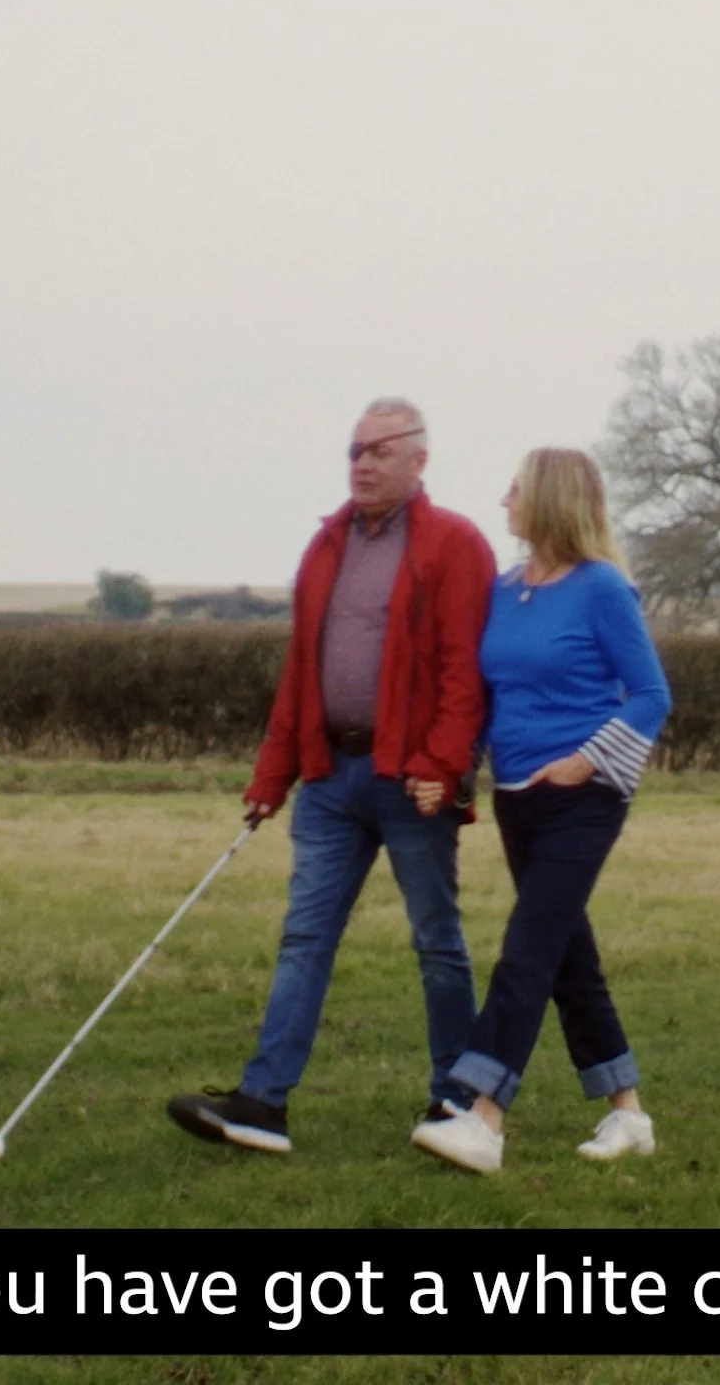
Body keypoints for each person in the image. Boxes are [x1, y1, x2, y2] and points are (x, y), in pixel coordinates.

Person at [167, 398, 497, 1153]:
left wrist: (443, 765)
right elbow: (300, 672)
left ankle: (457, 1101)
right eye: (354, 451)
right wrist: (271, 775)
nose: (363, 464)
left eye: (380, 450)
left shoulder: (455, 544)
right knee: (303, 937)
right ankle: (262, 1104)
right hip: (329, 778)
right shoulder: (325, 546)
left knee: (436, 940)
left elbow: (462, 673)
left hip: (412, 781)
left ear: (419, 460)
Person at [410, 447, 671, 1174]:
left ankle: (481, 1115)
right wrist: (453, 772)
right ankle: (627, 1113)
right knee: (565, 956)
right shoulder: (504, 589)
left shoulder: (603, 590)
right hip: (516, 799)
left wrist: (585, 760)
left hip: (583, 799)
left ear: (550, 500)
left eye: (516, 489)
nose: (504, 501)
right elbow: (486, 696)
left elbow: (651, 696)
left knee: (527, 947)